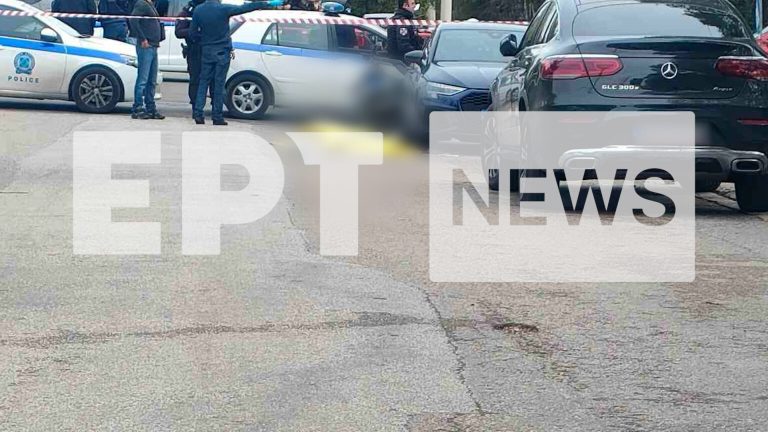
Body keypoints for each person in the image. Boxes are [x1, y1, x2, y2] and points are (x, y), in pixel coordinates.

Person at [190, 0, 283, 125]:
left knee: (203, 82)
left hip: (207, 50)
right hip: (222, 51)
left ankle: (198, 114)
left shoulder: (199, 10)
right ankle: (217, 116)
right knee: (219, 85)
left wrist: (204, 41)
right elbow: (245, 8)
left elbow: (192, 33)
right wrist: (264, 4)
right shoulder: (223, 9)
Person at [130, 0, 166, 119]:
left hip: (153, 45)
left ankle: (150, 108)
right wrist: (142, 38)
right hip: (146, 46)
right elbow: (133, 20)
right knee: (143, 79)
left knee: (152, 80)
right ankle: (137, 108)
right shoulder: (141, 4)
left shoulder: (150, 4)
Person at [175, 0, 207, 106]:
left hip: (208, 49)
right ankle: (195, 104)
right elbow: (178, 32)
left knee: (212, 80)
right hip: (194, 49)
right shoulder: (188, 11)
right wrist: (194, 31)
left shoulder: (209, 8)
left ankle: (213, 106)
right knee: (195, 79)